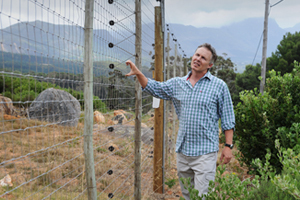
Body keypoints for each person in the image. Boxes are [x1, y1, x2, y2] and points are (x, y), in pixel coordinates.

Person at [125, 43, 235, 199]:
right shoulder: (177, 83)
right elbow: (155, 88)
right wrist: (138, 74)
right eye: (197, 55)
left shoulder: (219, 86)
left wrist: (228, 146)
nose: (198, 59)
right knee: (187, 195)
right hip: (183, 152)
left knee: (203, 196)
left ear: (209, 65)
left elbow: (228, 117)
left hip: (205, 153)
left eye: (203, 58)